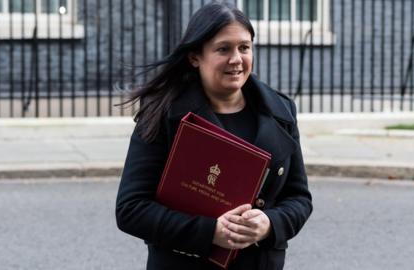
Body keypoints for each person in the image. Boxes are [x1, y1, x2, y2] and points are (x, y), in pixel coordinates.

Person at [116, 2, 313, 270]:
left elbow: (299, 197)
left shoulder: (281, 111)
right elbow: (131, 209)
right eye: (223, 49)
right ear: (195, 56)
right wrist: (210, 233)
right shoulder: (164, 115)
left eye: (244, 47)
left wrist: (269, 224)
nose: (236, 59)